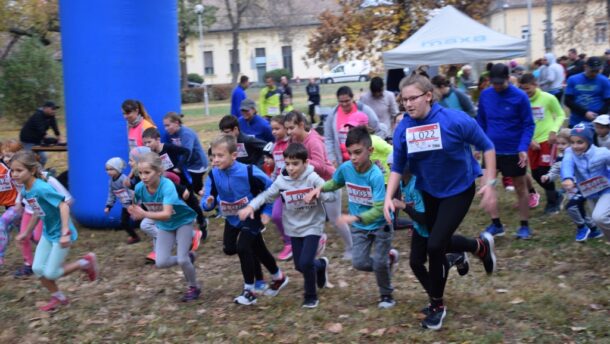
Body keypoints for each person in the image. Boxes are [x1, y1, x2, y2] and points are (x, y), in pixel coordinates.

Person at [385, 74, 498, 330]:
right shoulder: (403, 127)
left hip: (459, 188)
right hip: (429, 190)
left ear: (428, 96)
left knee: (435, 246)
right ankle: (478, 246)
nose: (408, 104)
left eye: (413, 98)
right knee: (439, 240)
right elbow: (398, 165)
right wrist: (388, 198)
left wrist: (489, 183)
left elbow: (487, 146)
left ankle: (437, 306)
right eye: (404, 100)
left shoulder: (454, 120)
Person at [306, 126, 399, 310]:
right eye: (350, 153)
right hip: (360, 228)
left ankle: (386, 295)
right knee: (359, 262)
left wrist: (354, 218)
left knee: (379, 262)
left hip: (381, 225)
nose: (353, 157)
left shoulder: (376, 176)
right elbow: (336, 182)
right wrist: (320, 189)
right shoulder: (346, 168)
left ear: (370, 151)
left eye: (358, 152)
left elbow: (380, 209)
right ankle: (387, 262)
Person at [238, 143, 334, 308]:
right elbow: (266, 196)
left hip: (313, 225)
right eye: (287, 164)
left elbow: (331, 195)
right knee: (299, 265)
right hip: (293, 228)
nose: (291, 168)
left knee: (305, 262)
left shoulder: (312, 178)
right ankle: (321, 266)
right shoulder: (282, 181)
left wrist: (319, 192)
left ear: (305, 163)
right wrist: (251, 206)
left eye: (295, 164)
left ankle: (311, 296)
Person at [202, 135, 288, 305]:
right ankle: (279, 277)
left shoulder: (248, 171)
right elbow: (206, 198)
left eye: (220, 156)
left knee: (243, 247)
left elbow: (272, 189)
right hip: (232, 218)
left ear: (234, 155)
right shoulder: (213, 175)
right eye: (213, 156)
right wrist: (208, 203)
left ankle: (249, 291)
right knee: (234, 248)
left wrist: (268, 211)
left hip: (251, 213)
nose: (215, 160)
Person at [11, 150, 97, 311]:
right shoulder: (26, 190)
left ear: (31, 170)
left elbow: (63, 205)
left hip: (61, 234)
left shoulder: (42, 188)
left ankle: (85, 262)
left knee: (51, 273)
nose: (15, 174)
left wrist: (65, 232)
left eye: (19, 170)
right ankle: (59, 298)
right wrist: (26, 233)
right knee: (37, 269)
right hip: (48, 233)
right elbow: (38, 211)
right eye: (13, 170)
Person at [128, 152, 201, 302]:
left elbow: (167, 213)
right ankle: (190, 257)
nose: (143, 177)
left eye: (147, 172)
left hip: (183, 221)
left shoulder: (167, 186)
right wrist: (133, 210)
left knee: (181, 259)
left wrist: (144, 213)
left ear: (159, 171)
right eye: (140, 173)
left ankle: (193, 287)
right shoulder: (140, 187)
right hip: (165, 226)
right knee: (161, 262)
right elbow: (134, 203)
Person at [478, 63, 536, 239]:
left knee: (520, 186)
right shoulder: (485, 95)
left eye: (500, 83)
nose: (496, 86)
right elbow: (480, 121)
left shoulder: (520, 97)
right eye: (493, 82)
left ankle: (524, 225)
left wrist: (523, 147)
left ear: (508, 79)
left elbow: (528, 124)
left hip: (513, 150)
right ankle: (496, 224)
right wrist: (478, 145)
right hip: (491, 150)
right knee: (488, 185)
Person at [285, 111, 352, 260]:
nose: (289, 132)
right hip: (310, 186)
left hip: (329, 183)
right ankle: (318, 239)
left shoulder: (313, 141)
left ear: (301, 125)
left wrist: (302, 163)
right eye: (287, 128)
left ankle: (351, 248)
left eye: (291, 128)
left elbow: (321, 166)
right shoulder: (293, 141)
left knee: (335, 219)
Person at [541, 128, 604, 241]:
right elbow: (555, 169)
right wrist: (548, 176)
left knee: (572, 207)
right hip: (570, 190)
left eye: (564, 144)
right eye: (558, 144)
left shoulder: (579, 155)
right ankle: (594, 230)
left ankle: (582, 228)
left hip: (583, 187)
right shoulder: (560, 157)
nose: (560, 146)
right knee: (581, 210)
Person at [518, 73, 566, 214]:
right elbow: (521, 122)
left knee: (545, 171)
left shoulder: (548, 98)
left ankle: (552, 203)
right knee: (535, 174)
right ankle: (557, 194)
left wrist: (553, 131)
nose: (526, 92)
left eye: (528, 88)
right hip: (531, 141)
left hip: (547, 140)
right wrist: (529, 139)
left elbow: (561, 114)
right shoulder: (522, 101)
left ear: (535, 85)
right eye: (523, 89)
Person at [560, 123, 610, 241]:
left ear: (589, 141)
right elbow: (567, 164)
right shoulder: (570, 153)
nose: (575, 146)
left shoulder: (601, 152)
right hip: (590, 192)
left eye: (580, 142)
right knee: (599, 222)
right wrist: (567, 177)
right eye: (572, 142)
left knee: (599, 217)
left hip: (606, 189)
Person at [324, 86, 383, 167]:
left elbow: (378, 130)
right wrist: (332, 158)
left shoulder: (364, 110)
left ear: (352, 98)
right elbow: (328, 138)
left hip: (364, 161)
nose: (344, 104)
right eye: (341, 101)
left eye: (347, 101)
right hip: (343, 162)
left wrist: (372, 154)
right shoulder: (333, 115)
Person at [162, 112, 209, 194]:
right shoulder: (170, 134)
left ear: (176, 123)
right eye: (165, 126)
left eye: (168, 125)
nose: (166, 128)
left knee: (196, 188)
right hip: (187, 164)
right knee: (191, 187)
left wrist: (179, 167)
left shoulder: (186, 133)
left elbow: (188, 152)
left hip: (197, 163)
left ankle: (210, 199)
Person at [268, 115, 293, 260]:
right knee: (276, 215)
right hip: (279, 187)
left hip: (293, 187)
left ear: (286, 128)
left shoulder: (291, 144)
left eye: (277, 128)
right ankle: (288, 242)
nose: (274, 132)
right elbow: (277, 169)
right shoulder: (275, 146)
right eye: (272, 129)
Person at [565, 57, 610, 127]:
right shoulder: (573, 79)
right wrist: (585, 113)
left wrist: (598, 115)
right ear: (585, 67)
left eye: (597, 71)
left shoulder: (604, 81)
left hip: (597, 122)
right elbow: (568, 101)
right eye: (592, 71)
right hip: (576, 121)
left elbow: (608, 102)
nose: (594, 73)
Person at [104, 157, 140, 244]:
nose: (109, 172)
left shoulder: (124, 179)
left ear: (118, 169)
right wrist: (108, 206)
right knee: (124, 223)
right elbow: (111, 194)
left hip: (133, 204)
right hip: (125, 206)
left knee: (142, 219)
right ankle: (135, 237)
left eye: (111, 169)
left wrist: (133, 204)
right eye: (107, 170)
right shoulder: (111, 181)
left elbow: (131, 191)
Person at [19, 101, 64, 167]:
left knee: (43, 158)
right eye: (52, 109)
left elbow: (55, 127)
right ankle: (29, 174)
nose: (54, 111)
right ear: (45, 108)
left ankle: (39, 173)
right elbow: (41, 130)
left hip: (37, 141)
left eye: (55, 109)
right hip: (27, 140)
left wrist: (59, 138)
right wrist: (49, 139)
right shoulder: (38, 115)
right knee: (29, 159)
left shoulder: (51, 116)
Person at [0, 140, 22, 268]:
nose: (8, 159)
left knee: (2, 224)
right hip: (10, 206)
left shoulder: (18, 170)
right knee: (28, 236)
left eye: (11, 156)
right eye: (6, 155)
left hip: (22, 205)